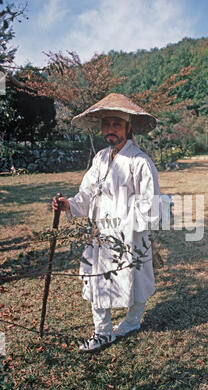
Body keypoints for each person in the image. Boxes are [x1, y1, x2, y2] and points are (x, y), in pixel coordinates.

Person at [52, 93, 161, 352]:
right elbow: (87, 194)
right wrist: (69, 204)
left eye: (117, 124)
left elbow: (150, 204)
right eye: (107, 124)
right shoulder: (100, 158)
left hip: (129, 235)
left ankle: (132, 322)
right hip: (99, 235)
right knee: (96, 279)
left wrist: (124, 226)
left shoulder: (140, 163)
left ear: (128, 127)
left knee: (137, 278)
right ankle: (102, 332)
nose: (110, 129)